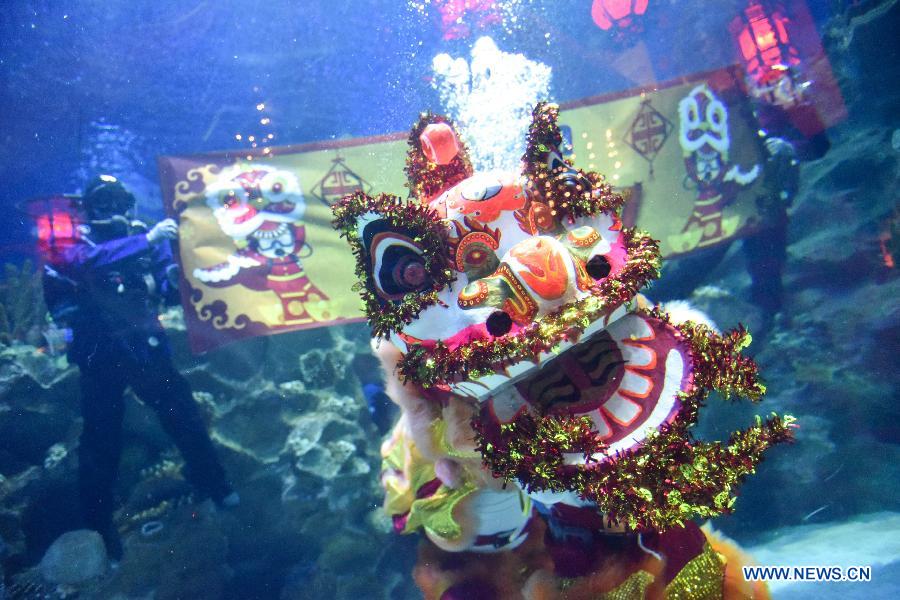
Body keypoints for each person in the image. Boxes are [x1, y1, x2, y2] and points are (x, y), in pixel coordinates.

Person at [43, 175, 237, 559]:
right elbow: (80, 263)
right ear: (88, 208)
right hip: (99, 353)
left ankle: (216, 486)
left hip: (144, 347)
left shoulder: (146, 237)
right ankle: (98, 528)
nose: (113, 210)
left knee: (184, 415)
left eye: (119, 201)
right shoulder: (73, 241)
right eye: (104, 202)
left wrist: (174, 277)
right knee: (101, 439)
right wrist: (146, 240)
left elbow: (164, 283)